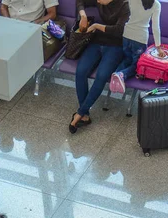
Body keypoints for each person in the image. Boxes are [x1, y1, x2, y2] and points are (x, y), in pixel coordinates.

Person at [69, 0, 130, 133]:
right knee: (80, 72)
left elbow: (120, 30)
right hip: (96, 42)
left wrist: (96, 25)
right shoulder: (100, 1)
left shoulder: (125, 5)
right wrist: (83, 15)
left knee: (101, 76)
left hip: (116, 45)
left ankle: (81, 112)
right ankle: (84, 115)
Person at [109, 0, 162, 95]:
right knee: (137, 65)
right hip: (140, 38)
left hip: (127, 35)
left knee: (127, 59)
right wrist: (158, 46)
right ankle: (121, 75)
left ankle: (116, 75)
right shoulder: (156, 4)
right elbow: (155, 27)